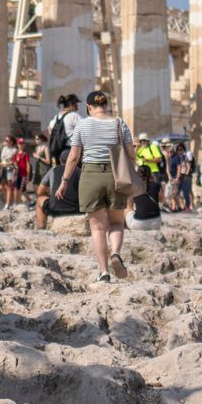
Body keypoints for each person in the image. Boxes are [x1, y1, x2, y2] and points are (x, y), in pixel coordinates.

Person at [56, 90, 134, 283]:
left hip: (90, 175)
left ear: (88, 107)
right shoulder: (119, 123)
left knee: (98, 228)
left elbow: (74, 157)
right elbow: (131, 154)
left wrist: (64, 181)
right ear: (105, 105)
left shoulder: (82, 124)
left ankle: (103, 272)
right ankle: (115, 252)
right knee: (116, 222)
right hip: (116, 175)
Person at [35, 149, 80, 229]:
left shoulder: (53, 170)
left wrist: (50, 194)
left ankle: (41, 228)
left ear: (60, 160)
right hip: (76, 209)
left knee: (39, 199)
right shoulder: (79, 171)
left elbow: (39, 191)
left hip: (55, 209)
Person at [125, 165, 163, 231]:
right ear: (150, 174)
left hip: (139, 223)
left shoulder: (134, 187)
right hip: (157, 222)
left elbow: (129, 203)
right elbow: (161, 200)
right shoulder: (156, 185)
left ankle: (125, 226)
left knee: (127, 206)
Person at [47, 94, 81, 164]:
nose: (78, 105)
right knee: (74, 174)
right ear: (72, 104)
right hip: (71, 151)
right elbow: (85, 130)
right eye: (76, 103)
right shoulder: (74, 116)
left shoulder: (56, 117)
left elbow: (49, 128)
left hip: (58, 152)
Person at [0, 135, 17, 210]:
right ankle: (10, 200)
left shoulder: (14, 150)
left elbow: (14, 161)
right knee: (1, 186)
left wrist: (7, 163)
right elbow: (1, 158)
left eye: (7, 140)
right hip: (3, 168)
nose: (5, 142)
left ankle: (7, 204)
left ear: (11, 142)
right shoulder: (4, 148)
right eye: (5, 140)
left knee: (8, 186)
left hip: (10, 169)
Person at [12, 138, 32, 207]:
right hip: (17, 174)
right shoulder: (16, 154)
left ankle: (18, 203)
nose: (21, 145)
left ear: (24, 145)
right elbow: (14, 163)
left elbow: (28, 165)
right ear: (17, 144)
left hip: (23, 174)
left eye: (22, 144)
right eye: (19, 144)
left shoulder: (25, 154)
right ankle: (30, 201)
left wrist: (28, 175)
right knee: (20, 189)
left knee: (21, 189)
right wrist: (15, 164)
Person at [176, 143, 193, 212]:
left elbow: (188, 167)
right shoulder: (177, 158)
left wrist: (186, 175)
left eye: (181, 149)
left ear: (184, 150)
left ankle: (187, 207)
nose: (179, 151)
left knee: (186, 193)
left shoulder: (185, 157)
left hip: (185, 176)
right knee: (176, 192)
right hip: (179, 176)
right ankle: (179, 206)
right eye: (178, 149)